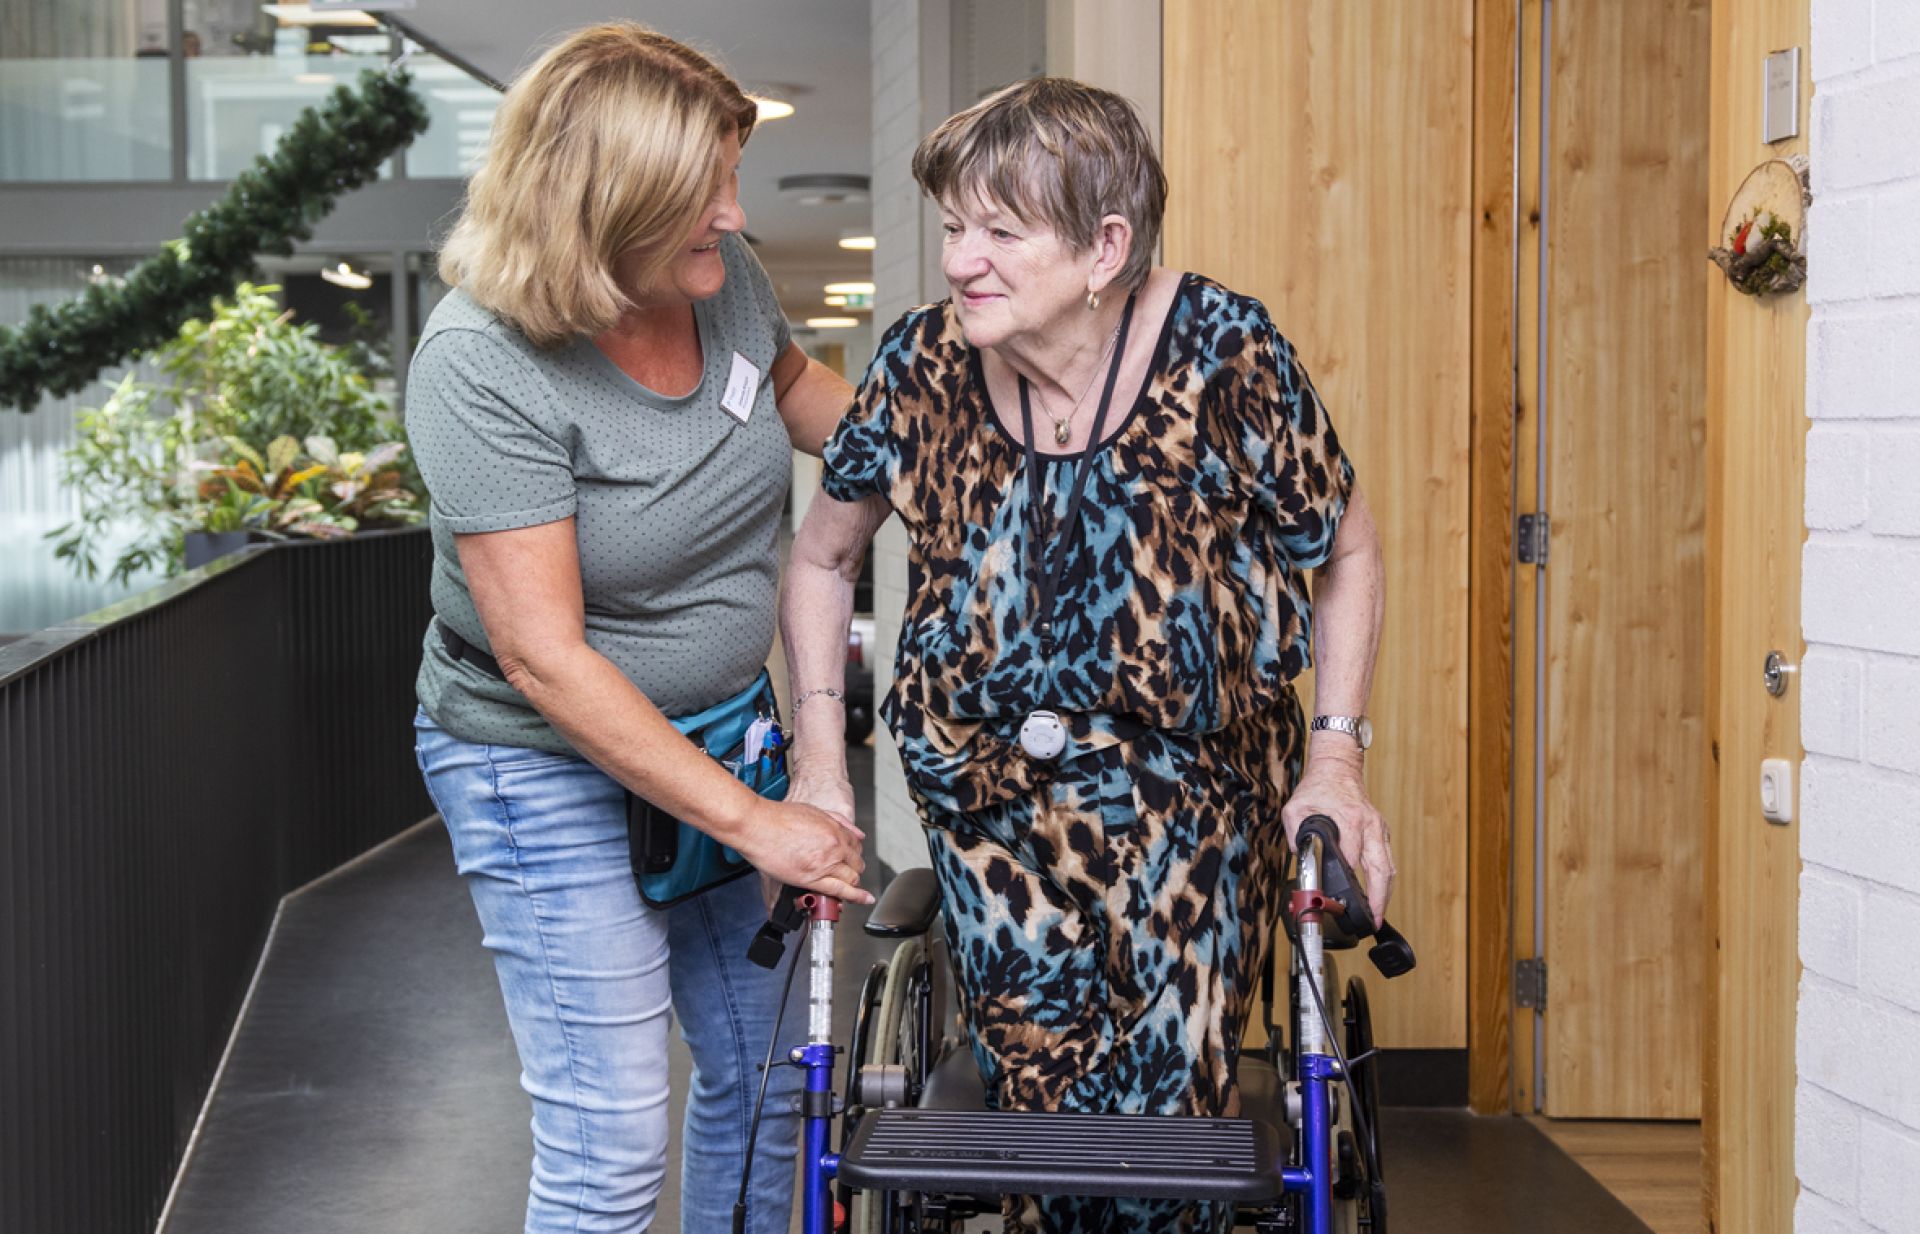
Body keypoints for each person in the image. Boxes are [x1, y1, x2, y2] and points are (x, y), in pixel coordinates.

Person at [780, 77, 1394, 1234]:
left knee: (1164, 1135)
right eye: (956, 228)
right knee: (1043, 1116)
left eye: (1000, 232)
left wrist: (1336, 758)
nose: (963, 260)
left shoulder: (1223, 352)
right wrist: (824, 755)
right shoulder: (921, 369)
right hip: (984, 800)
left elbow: (1345, 548)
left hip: (1192, 802)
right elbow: (820, 559)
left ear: (1105, 245)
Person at [405, 23, 871, 1234]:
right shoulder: (479, 363)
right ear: (603, 202)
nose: (731, 212)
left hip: (718, 725)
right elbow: (542, 656)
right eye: (702, 189)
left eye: (731, 178)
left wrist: (1002, 472)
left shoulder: (724, 288)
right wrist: (758, 820)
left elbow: (832, 416)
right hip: (538, 754)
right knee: (610, 1141)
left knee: (771, 1085)